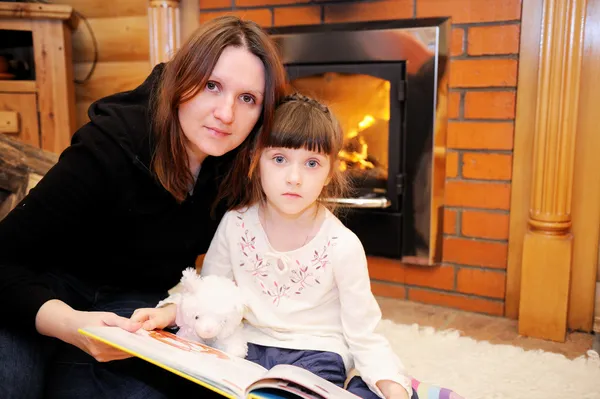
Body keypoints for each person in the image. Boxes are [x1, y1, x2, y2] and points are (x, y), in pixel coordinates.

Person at [0, 16, 287, 399]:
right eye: (211, 86)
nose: (226, 114)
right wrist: (68, 324)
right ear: (182, 81)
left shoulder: (240, 164)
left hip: (133, 301)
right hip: (42, 287)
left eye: (247, 98)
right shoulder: (107, 147)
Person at [133, 93, 414, 399]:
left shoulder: (342, 245)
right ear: (256, 160)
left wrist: (392, 386)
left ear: (330, 171)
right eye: (279, 159)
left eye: (311, 163)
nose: (294, 178)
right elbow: (209, 294)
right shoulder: (236, 223)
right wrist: (169, 314)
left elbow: (364, 334)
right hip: (246, 347)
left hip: (317, 353)